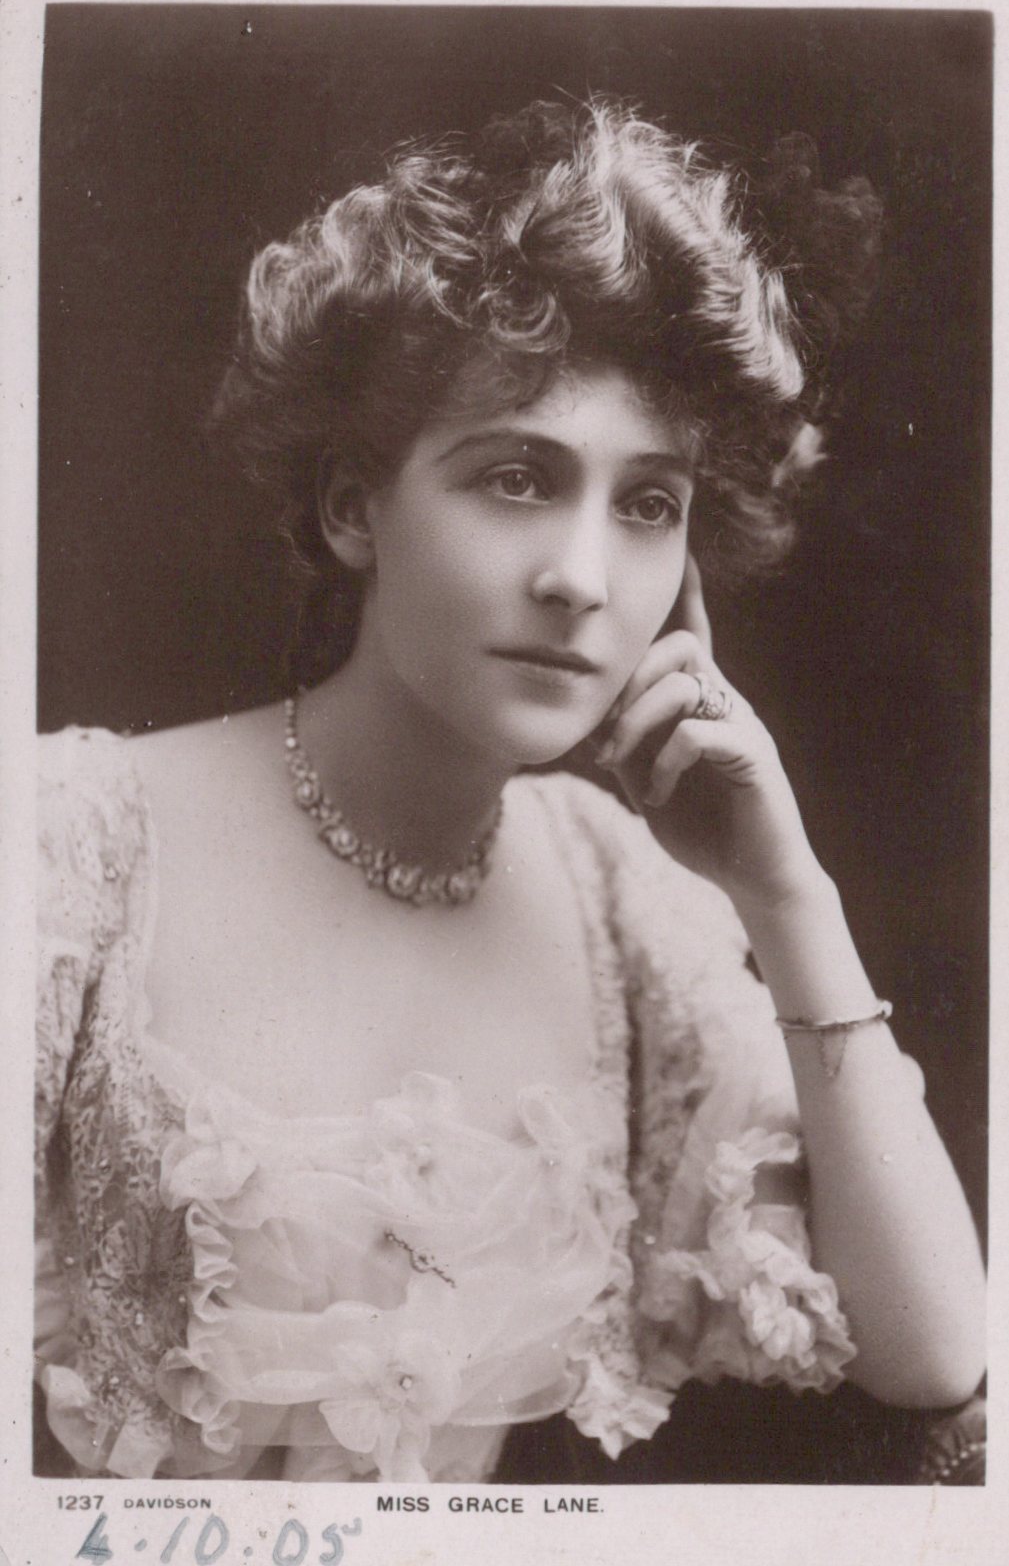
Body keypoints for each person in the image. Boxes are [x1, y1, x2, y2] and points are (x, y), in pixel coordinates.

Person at [35, 100, 985, 1484]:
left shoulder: (624, 901)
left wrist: (787, 894)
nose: (582, 579)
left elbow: (936, 1357)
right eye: (516, 478)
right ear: (355, 508)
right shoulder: (73, 846)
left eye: (646, 504)